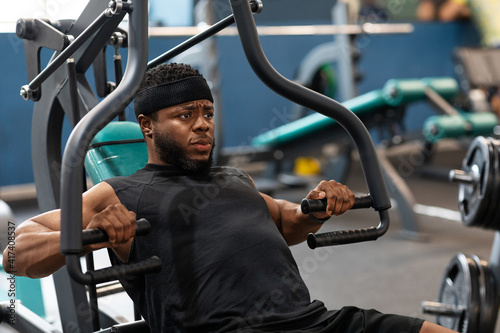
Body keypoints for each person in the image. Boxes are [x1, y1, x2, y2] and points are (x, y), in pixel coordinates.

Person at [4, 63, 457, 333]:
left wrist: (316, 207)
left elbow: (286, 222)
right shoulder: (120, 191)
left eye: (207, 113)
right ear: (147, 127)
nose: (203, 124)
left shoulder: (235, 179)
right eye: (185, 115)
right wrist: (89, 235)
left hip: (312, 322)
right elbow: (16, 252)